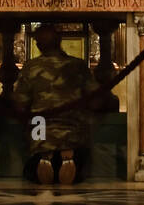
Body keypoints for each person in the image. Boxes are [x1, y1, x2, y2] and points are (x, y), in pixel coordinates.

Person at [12, 24, 101, 185]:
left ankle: (45, 156)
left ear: (38, 45)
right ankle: (68, 156)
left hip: (40, 126)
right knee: (79, 155)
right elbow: (96, 101)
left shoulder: (31, 67)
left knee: (31, 165)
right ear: (60, 41)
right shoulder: (78, 65)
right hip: (73, 128)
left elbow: (20, 105)